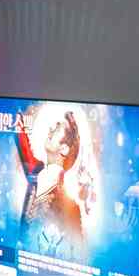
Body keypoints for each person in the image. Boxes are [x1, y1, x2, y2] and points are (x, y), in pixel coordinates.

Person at [17, 110, 85, 261]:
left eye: (58, 127)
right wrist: (18, 122)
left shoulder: (72, 209)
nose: (50, 129)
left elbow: (78, 259)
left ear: (64, 149)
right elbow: (24, 146)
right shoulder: (36, 170)